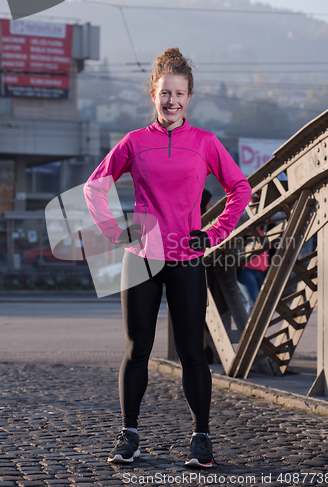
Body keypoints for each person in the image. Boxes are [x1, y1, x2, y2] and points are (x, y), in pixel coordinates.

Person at [84, 47, 251, 468]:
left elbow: (240, 190)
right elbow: (94, 187)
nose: (171, 101)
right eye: (164, 93)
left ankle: (201, 439)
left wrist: (212, 233)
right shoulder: (134, 143)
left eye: (179, 94)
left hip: (186, 259)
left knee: (193, 352)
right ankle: (130, 437)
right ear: (153, 95)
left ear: (189, 97)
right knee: (137, 349)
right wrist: (115, 231)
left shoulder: (206, 143)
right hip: (141, 257)